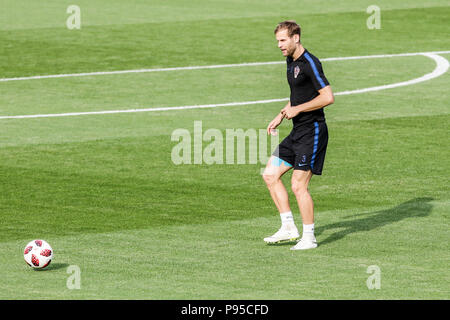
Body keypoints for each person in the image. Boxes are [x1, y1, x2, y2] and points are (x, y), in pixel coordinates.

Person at [262, 20, 334, 250]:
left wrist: (297, 109)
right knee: (270, 175)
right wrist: (282, 114)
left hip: (312, 132)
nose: (279, 45)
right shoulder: (290, 60)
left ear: (296, 38)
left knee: (298, 185)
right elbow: (299, 95)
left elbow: (327, 97)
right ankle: (288, 227)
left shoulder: (310, 63)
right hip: (297, 131)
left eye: (283, 40)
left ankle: (309, 238)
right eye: (278, 41)